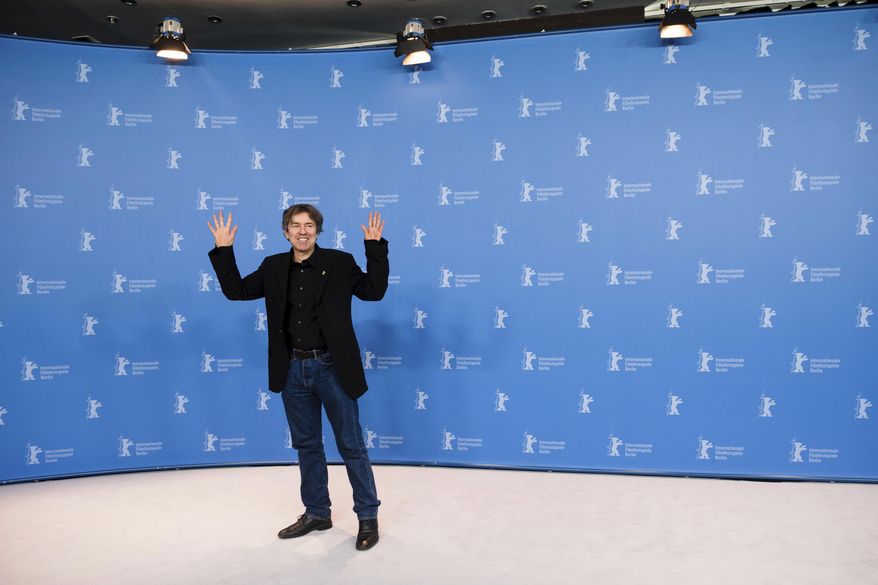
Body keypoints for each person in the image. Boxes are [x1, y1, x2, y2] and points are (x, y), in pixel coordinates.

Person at [207, 205, 388, 551]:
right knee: (307, 445)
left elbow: (374, 290)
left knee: (351, 444)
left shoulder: (340, 262)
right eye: (295, 225)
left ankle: (368, 517)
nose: (302, 231)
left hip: (333, 367)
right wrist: (224, 250)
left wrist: (375, 248)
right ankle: (317, 512)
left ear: (317, 231)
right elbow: (236, 291)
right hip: (291, 369)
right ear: (285, 232)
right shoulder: (273, 266)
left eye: (308, 225)